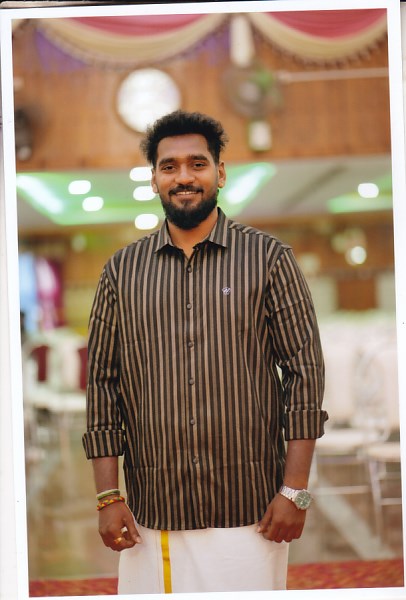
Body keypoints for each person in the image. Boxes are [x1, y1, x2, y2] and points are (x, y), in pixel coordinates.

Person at [83, 110, 328, 594]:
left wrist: (295, 490)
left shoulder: (268, 258)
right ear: (154, 179)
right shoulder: (121, 271)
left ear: (220, 172)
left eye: (197, 164)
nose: (183, 177)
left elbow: (304, 373)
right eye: (169, 166)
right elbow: (103, 385)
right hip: (154, 508)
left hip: (251, 505)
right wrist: (108, 495)